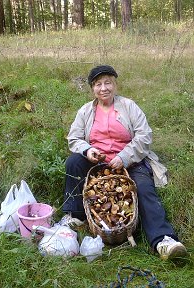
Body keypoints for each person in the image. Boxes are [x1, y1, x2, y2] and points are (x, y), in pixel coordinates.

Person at [62, 65, 187, 260]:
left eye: (108, 83)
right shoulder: (86, 111)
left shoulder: (129, 106)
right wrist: (88, 150)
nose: (103, 88)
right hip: (98, 162)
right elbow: (74, 138)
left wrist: (124, 157)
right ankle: (76, 215)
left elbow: (145, 136)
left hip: (130, 160)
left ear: (115, 85)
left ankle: (163, 240)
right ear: (92, 89)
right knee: (73, 163)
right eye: (98, 84)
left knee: (144, 187)